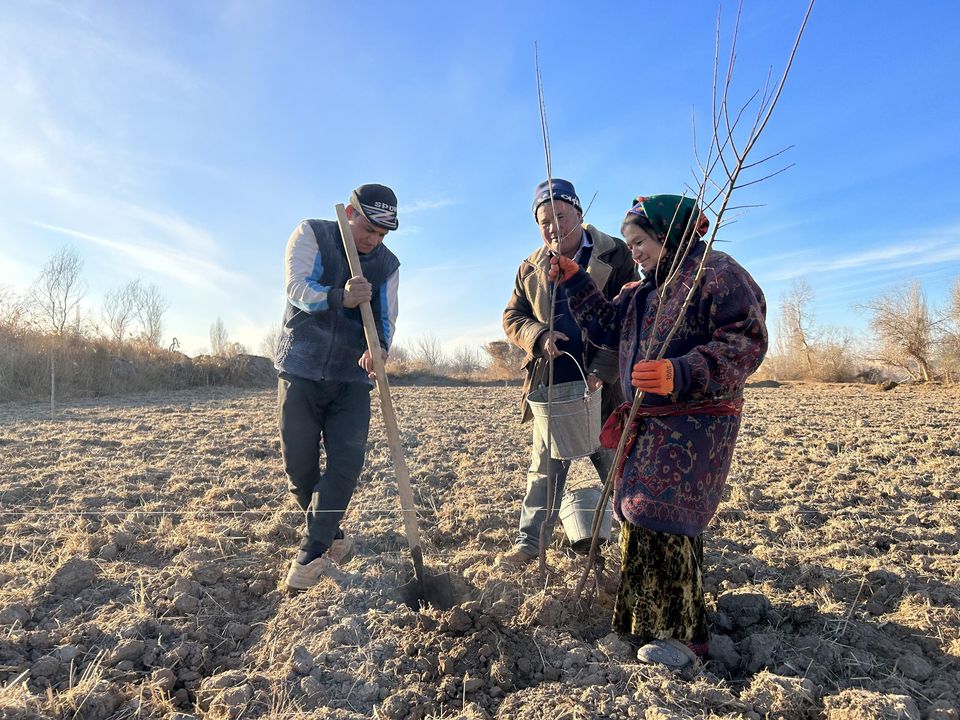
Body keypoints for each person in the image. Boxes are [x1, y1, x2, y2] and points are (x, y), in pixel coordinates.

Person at [549, 194, 767, 667]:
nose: (635, 253)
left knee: (662, 512)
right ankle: (646, 620)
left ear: (669, 235)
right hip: (647, 419)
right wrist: (576, 281)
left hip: (697, 420)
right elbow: (608, 327)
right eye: (629, 244)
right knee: (634, 507)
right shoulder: (641, 291)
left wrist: (681, 371)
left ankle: (683, 638)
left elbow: (745, 340)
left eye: (640, 242)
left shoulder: (716, 275)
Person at [499, 178, 638, 566]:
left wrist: (600, 372)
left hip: (606, 388)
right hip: (553, 384)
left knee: (617, 466)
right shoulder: (530, 267)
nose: (552, 227)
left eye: (560, 216)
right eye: (543, 221)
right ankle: (530, 544)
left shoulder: (616, 254)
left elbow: (628, 319)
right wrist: (538, 335)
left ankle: (636, 541)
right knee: (544, 470)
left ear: (578, 212)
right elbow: (512, 317)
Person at [275, 184, 401, 592]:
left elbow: (385, 318)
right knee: (300, 472)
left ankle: (310, 555)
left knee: (345, 465)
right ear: (349, 213)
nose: (373, 240)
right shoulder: (312, 233)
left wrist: (378, 350)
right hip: (301, 369)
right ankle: (334, 536)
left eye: (382, 234)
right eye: (368, 229)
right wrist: (338, 297)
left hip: (351, 380)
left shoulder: (387, 264)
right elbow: (296, 288)